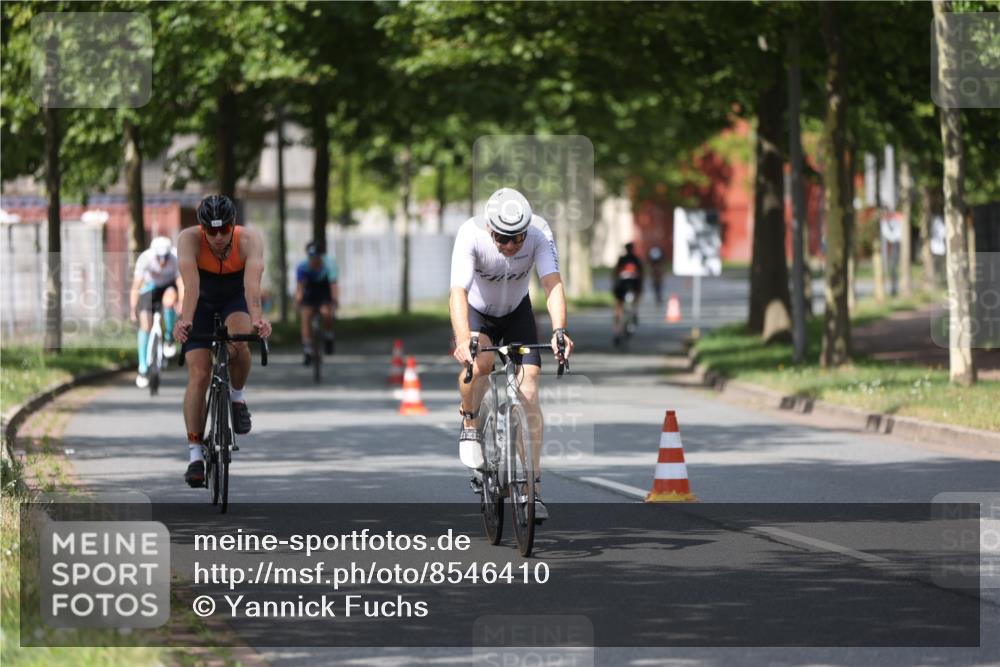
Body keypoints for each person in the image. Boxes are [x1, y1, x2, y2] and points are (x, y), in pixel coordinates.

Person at [449, 187, 575, 521]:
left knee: (530, 388)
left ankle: (532, 488)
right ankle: (470, 420)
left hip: (517, 311)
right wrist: (463, 339)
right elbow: (458, 292)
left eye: (517, 238)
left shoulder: (539, 233)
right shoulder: (470, 235)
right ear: (490, 230)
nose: (511, 246)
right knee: (481, 364)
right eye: (503, 239)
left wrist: (559, 330)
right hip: (478, 313)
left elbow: (551, 284)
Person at [173, 195, 272, 488]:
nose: (217, 237)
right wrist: (185, 322)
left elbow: (252, 287)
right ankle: (195, 456)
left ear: (233, 225)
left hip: (234, 297)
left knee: (239, 343)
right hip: (200, 301)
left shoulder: (249, 240)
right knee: (199, 373)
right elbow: (191, 286)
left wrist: (258, 320)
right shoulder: (189, 239)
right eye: (211, 231)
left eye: (224, 229)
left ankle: (237, 398)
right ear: (202, 228)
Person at [129, 236, 183, 388]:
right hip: (150, 287)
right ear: (154, 255)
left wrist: (181, 303)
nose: (162, 261)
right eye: (159, 258)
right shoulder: (145, 259)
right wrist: (133, 310)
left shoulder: (176, 257)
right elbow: (135, 287)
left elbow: (181, 284)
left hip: (169, 286)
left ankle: (168, 338)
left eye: (165, 257)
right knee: (145, 324)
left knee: (169, 300)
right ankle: (143, 367)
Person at [295, 241, 339, 364]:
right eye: (311, 257)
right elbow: (299, 288)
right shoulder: (302, 267)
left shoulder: (330, 265)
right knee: (306, 315)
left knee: (326, 313)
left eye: (316, 257)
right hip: (310, 292)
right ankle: (308, 348)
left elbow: (333, 285)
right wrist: (298, 302)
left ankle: (329, 335)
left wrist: (334, 301)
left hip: (324, 291)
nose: (313, 261)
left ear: (321, 256)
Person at [612, 242, 645, 346]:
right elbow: (642, 274)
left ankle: (616, 332)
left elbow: (615, 273)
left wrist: (614, 285)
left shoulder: (621, 259)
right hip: (634, 285)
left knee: (618, 307)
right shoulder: (636, 259)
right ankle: (634, 313)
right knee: (635, 299)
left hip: (621, 285)